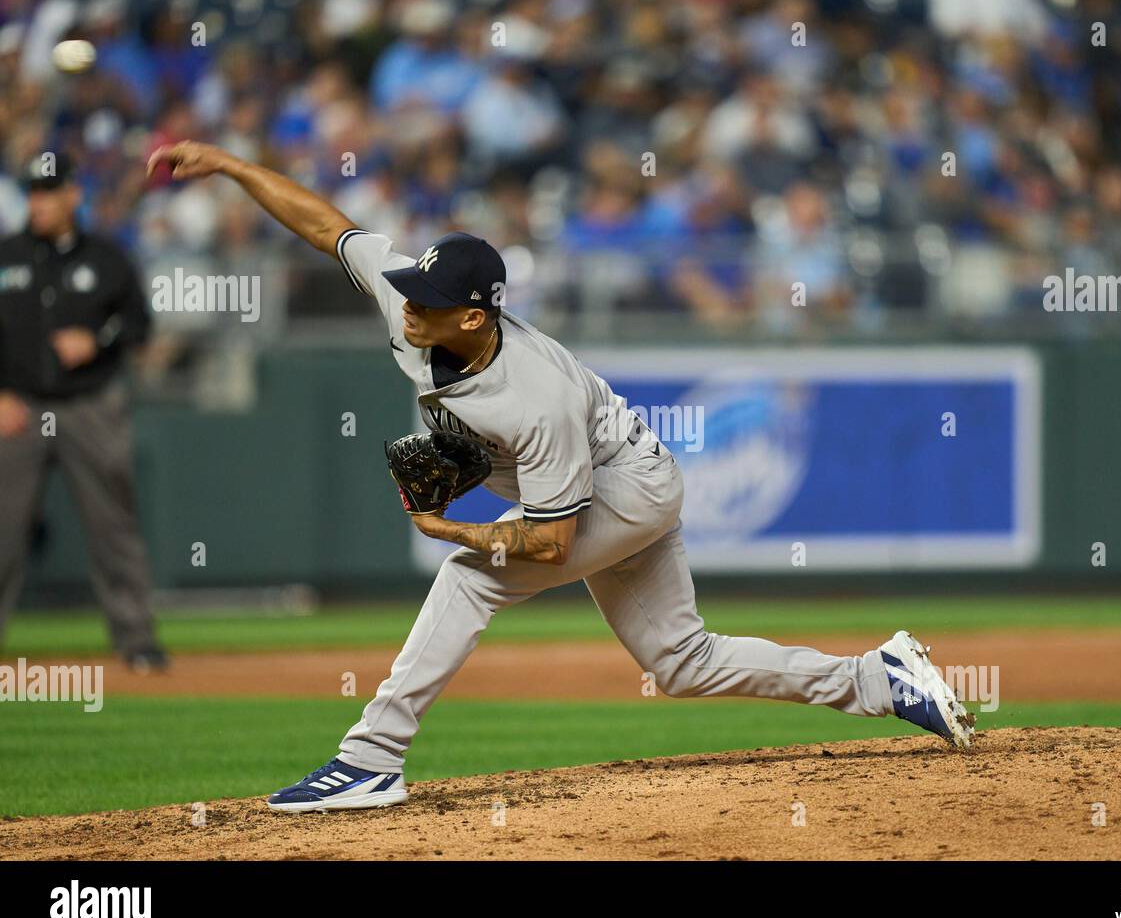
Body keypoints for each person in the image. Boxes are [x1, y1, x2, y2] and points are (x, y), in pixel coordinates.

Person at [147, 141, 975, 813]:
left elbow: (549, 542)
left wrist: (455, 532)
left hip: (626, 488)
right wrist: (231, 165)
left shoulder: (532, 397)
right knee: (679, 660)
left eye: (427, 299)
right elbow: (329, 227)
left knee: (472, 579)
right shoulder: (412, 308)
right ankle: (879, 678)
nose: (407, 304)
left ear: (475, 315)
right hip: (616, 479)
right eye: (410, 288)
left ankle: (370, 758)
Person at [0, 155, 167, 672]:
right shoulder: (6, 255)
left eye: (49, 191)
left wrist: (97, 339)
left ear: (74, 194)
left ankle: (137, 641)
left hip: (89, 406)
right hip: (18, 408)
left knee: (113, 528)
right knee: (2, 531)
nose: (39, 202)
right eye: (32, 192)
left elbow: (138, 324)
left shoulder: (108, 257)